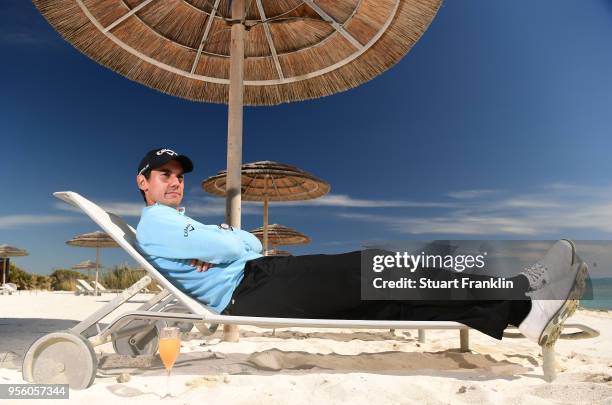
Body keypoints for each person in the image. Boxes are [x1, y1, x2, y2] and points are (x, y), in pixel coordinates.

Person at [135, 148, 587, 345]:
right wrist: (231, 241)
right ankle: (520, 299)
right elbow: (238, 245)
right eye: (165, 176)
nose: (175, 182)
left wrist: (227, 241)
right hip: (251, 290)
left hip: (261, 278)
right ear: (144, 183)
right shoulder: (157, 222)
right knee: (379, 269)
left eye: (178, 176)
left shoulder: (174, 222)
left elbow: (241, 242)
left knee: (385, 290)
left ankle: (519, 306)